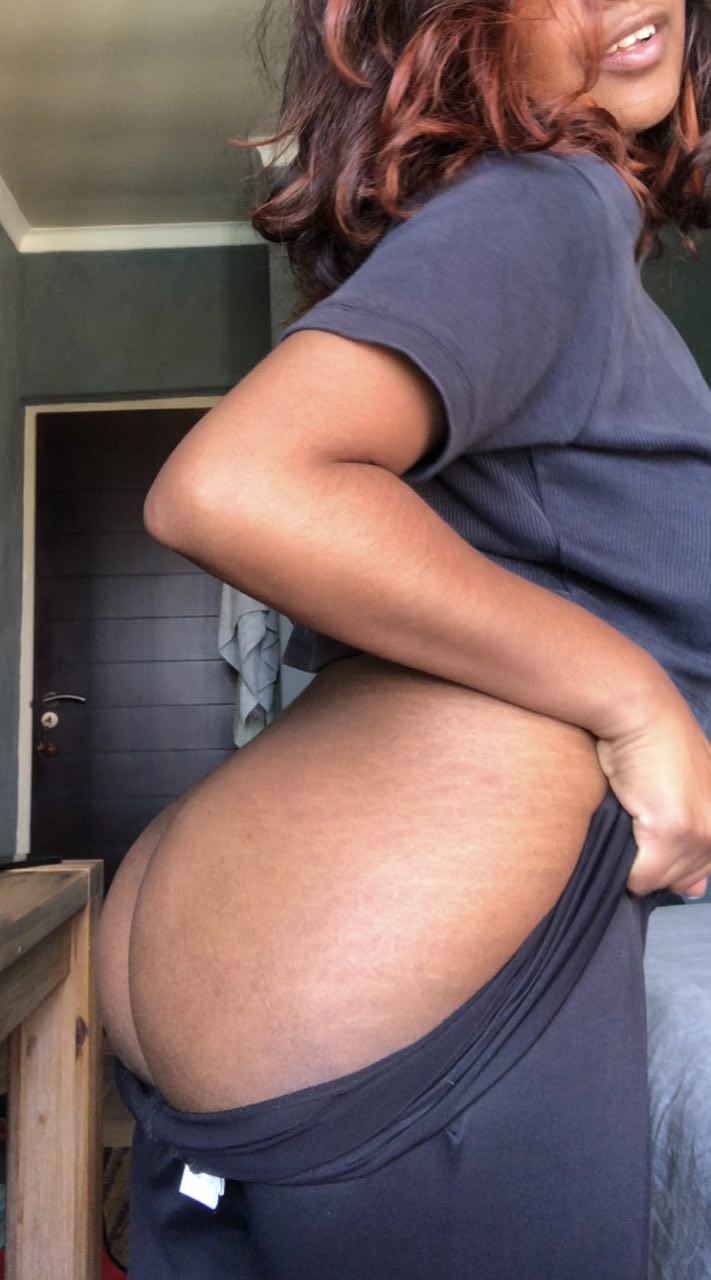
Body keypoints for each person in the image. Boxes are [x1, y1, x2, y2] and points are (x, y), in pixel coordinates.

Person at [97, 0, 711, 1273]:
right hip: (396, 1021)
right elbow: (233, 485)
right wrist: (637, 699)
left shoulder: (514, 237)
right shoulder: (554, 203)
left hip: (258, 1011)